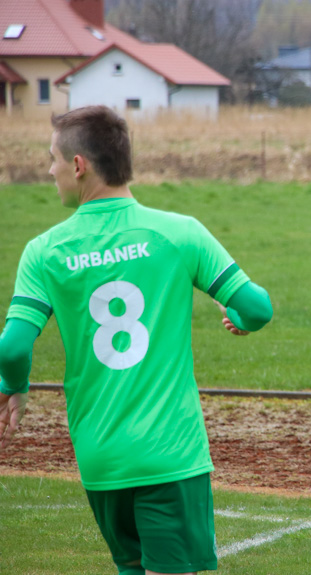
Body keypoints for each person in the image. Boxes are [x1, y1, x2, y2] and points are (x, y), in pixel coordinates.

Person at [0, 105, 273, 575]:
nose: (51, 170)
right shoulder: (180, 232)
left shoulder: (43, 251)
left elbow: (12, 348)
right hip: (170, 455)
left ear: (79, 165)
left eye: (53, 159)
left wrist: (15, 385)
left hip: (100, 459)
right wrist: (242, 321)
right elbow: (258, 308)